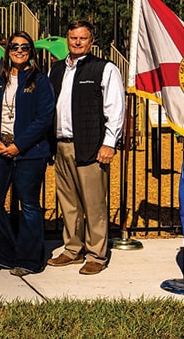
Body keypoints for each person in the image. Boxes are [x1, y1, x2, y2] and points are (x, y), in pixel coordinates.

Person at [47, 20, 125, 276]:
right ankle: (72, 249)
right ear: (67, 40)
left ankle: (96, 254)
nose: (77, 42)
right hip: (62, 146)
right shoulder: (56, 70)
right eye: (73, 38)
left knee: (94, 204)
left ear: (91, 41)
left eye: (83, 38)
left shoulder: (104, 69)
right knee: (68, 203)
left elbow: (115, 109)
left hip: (92, 147)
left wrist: (109, 143)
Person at [0, 31, 55, 276]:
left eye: (24, 46)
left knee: (29, 205)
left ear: (31, 51)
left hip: (29, 153)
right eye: (14, 46)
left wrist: (19, 145)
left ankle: (29, 259)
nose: (19, 50)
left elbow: (43, 119)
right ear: (8, 51)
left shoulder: (40, 81)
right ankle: (3, 254)